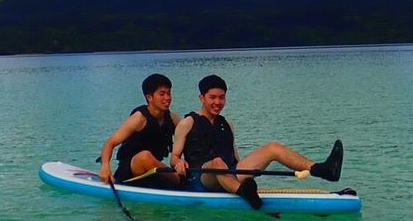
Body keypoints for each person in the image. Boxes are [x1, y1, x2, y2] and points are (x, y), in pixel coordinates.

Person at [170, 74, 343, 210]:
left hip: (230, 175)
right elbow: (174, 157)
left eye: (222, 98)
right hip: (202, 180)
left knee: (273, 147)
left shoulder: (227, 124)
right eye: (212, 97)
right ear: (201, 98)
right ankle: (245, 194)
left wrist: (246, 172)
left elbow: (236, 158)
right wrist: (178, 162)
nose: (218, 102)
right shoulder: (188, 123)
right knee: (217, 162)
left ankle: (322, 170)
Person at [99, 73, 183, 188]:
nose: (167, 98)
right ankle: (178, 180)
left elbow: (187, 139)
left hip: (154, 171)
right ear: (149, 97)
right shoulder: (139, 118)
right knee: (144, 156)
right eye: (162, 94)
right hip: (131, 172)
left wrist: (179, 161)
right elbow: (110, 143)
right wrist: (105, 167)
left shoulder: (173, 118)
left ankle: (175, 178)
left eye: (169, 93)